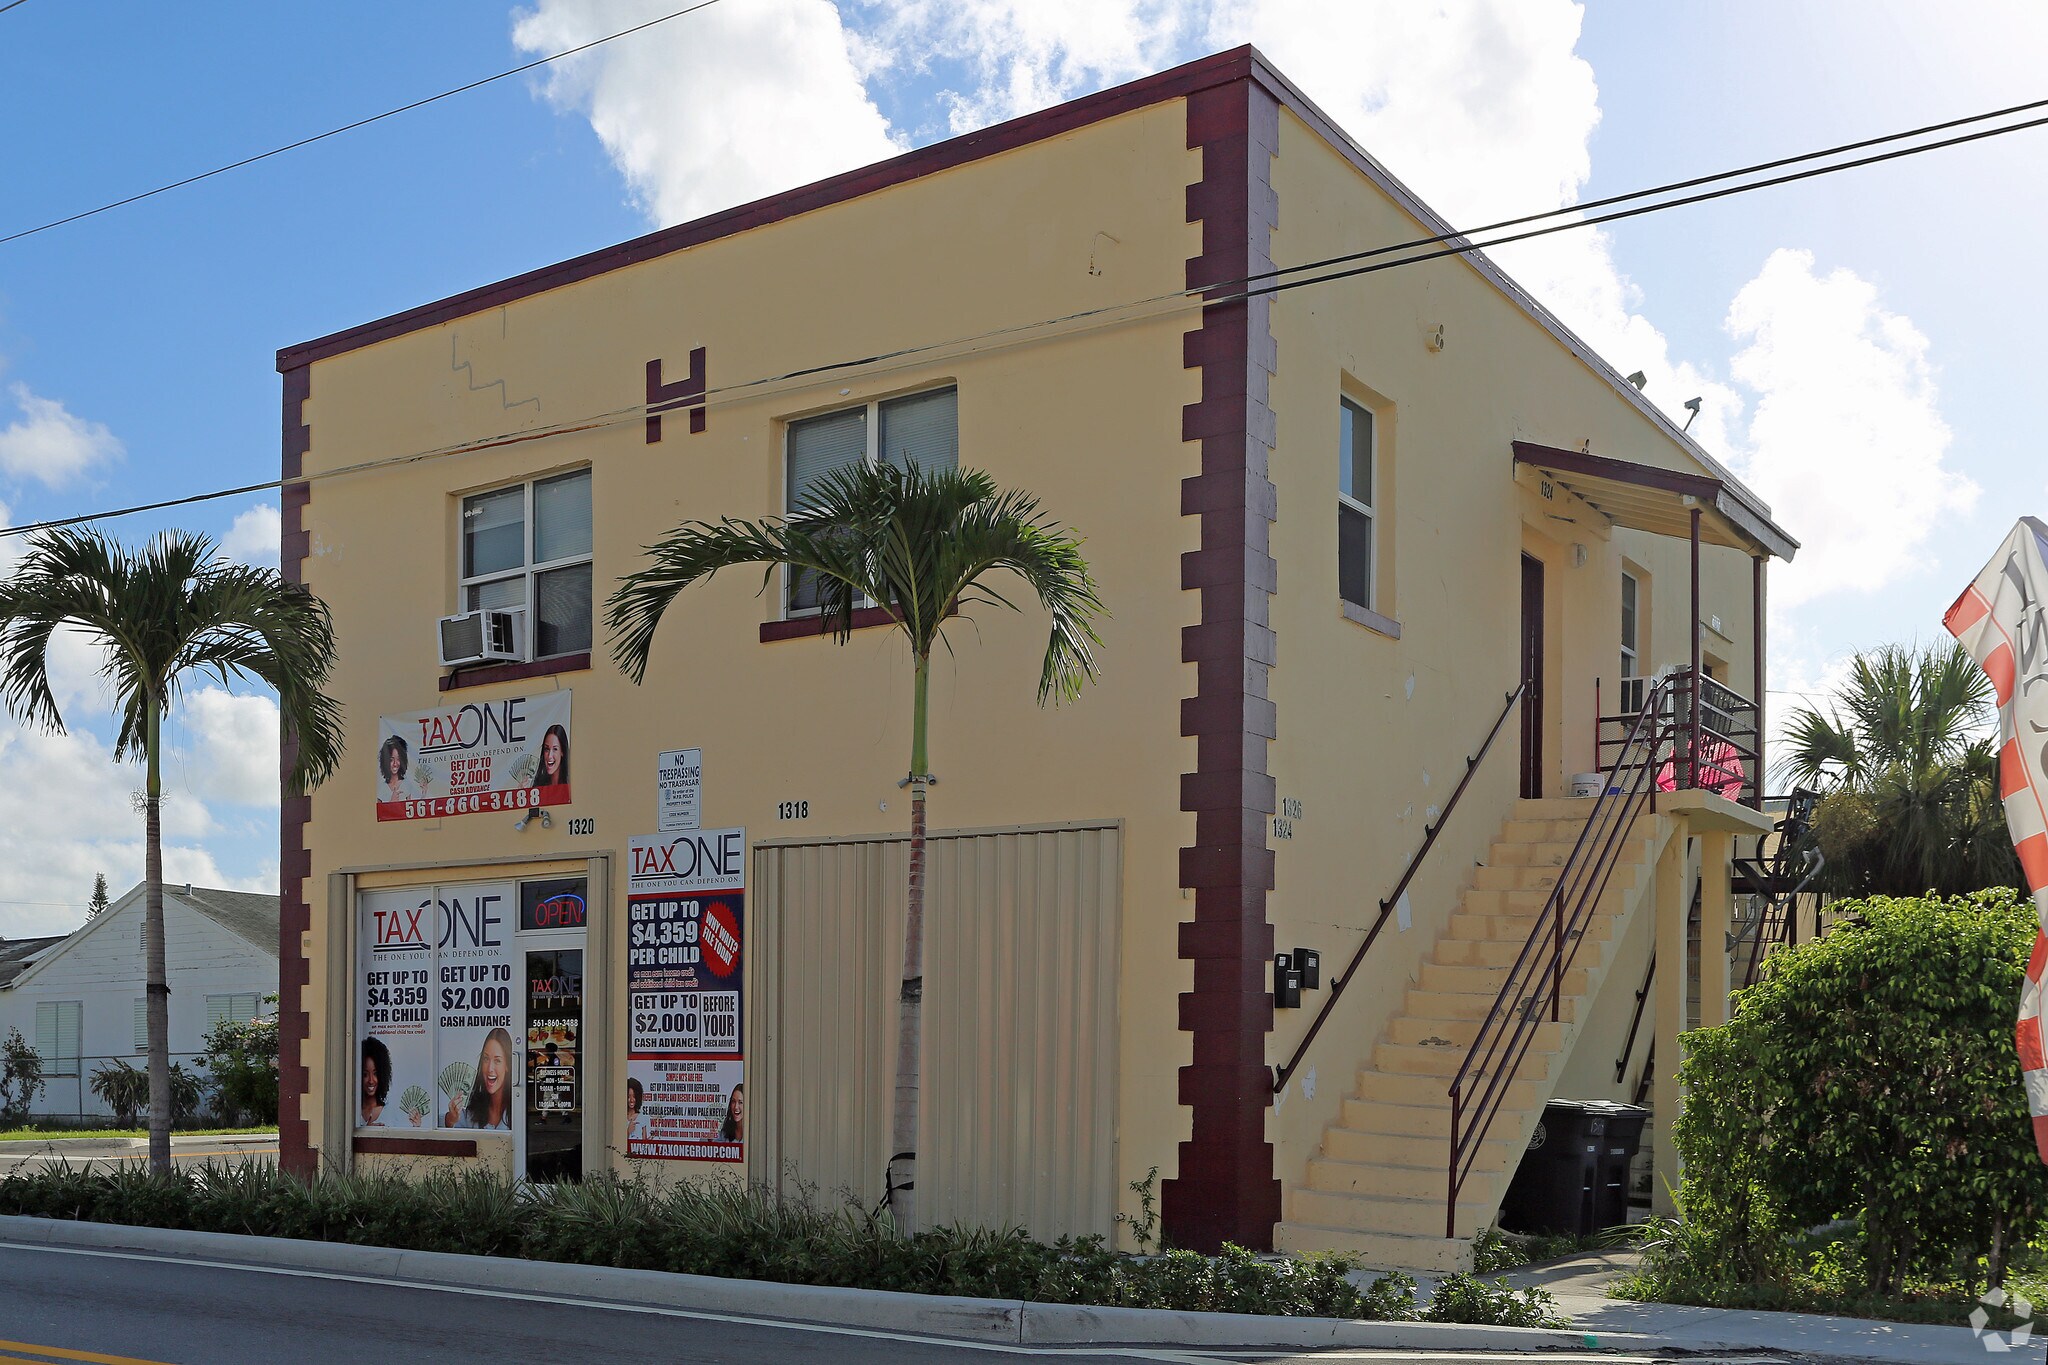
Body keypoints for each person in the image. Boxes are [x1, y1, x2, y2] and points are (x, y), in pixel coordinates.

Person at [446, 1028, 514, 1130]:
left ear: (507, 1065)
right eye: (486, 1059)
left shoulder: (517, 1110)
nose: (490, 1068)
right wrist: (451, 1119)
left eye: (497, 1060)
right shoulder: (471, 1111)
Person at [361, 1037, 392, 1127]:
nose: (371, 1080)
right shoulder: (350, 1112)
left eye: (376, 1074)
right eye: (365, 1074)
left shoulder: (391, 1114)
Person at [530, 724, 570, 789]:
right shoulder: (539, 786)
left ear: (562, 752)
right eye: (547, 749)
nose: (549, 756)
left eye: (555, 749)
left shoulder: (571, 784)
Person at [377, 735, 409, 802]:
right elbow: (379, 811)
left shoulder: (407, 785)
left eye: (398, 759)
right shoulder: (381, 789)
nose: (395, 764)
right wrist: (392, 802)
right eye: (391, 759)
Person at [625, 1077, 650, 1141]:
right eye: (628, 1096)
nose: (631, 1100)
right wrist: (628, 1132)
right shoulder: (619, 1118)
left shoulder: (643, 1118)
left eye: (634, 1096)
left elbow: (644, 1144)